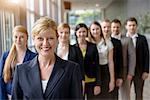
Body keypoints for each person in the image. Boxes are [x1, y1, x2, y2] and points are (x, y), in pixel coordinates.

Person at [12, 17, 83, 99]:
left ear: (57, 39)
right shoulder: (21, 71)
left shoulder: (71, 69)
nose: (45, 43)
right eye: (40, 39)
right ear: (33, 40)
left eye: (50, 38)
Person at [0, 25, 37, 99]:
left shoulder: (34, 57)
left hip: (26, 97)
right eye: (16, 37)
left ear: (27, 38)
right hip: (9, 95)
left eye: (22, 37)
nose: (18, 40)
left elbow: (35, 81)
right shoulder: (5, 55)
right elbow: (0, 79)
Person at [74, 23, 101, 99]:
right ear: (76, 33)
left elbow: (97, 66)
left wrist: (98, 84)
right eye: (79, 32)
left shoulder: (93, 46)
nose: (82, 34)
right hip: (78, 81)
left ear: (87, 32)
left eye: (84, 31)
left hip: (91, 80)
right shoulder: (73, 48)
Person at [89, 21, 115, 99]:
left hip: (104, 71)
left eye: (97, 29)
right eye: (93, 29)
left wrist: (112, 80)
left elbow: (110, 62)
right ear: (90, 31)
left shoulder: (107, 42)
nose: (95, 31)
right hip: (92, 72)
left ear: (100, 29)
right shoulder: (88, 42)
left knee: (105, 96)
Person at [111, 19, 136, 100]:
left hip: (124, 71)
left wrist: (130, 73)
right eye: (114, 27)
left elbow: (132, 57)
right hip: (111, 71)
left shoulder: (127, 40)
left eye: (117, 27)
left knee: (125, 95)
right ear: (111, 28)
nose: (115, 29)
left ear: (121, 28)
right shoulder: (107, 40)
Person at [125, 17, 149, 100]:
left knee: (139, 93)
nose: (132, 27)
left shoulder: (142, 39)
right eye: (130, 25)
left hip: (139, 71)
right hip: (126, 71)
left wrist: (146, 71)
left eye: (134, 25)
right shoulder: (122, 38)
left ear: (136, 26)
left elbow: (146, 55)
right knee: (125, 93)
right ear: (126, 26)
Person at [56, 23, 84, 93]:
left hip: (72, 82)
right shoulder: (53, 49)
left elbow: (81, 69)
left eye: (66, 32)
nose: (64, 35)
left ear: (69, 34)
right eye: (61, 32)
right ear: (57, 34)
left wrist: (82, 86)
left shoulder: (76, 49)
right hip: (56, 83)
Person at [101, 19, 123, 100]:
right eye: (104, 27)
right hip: (101, 76)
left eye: (108, 27)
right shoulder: (96, 42)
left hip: (114, 74)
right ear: (101, 28)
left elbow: (120, 61)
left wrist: (120, 77)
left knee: (113, 97)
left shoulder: (117, 42)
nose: (106, 29)